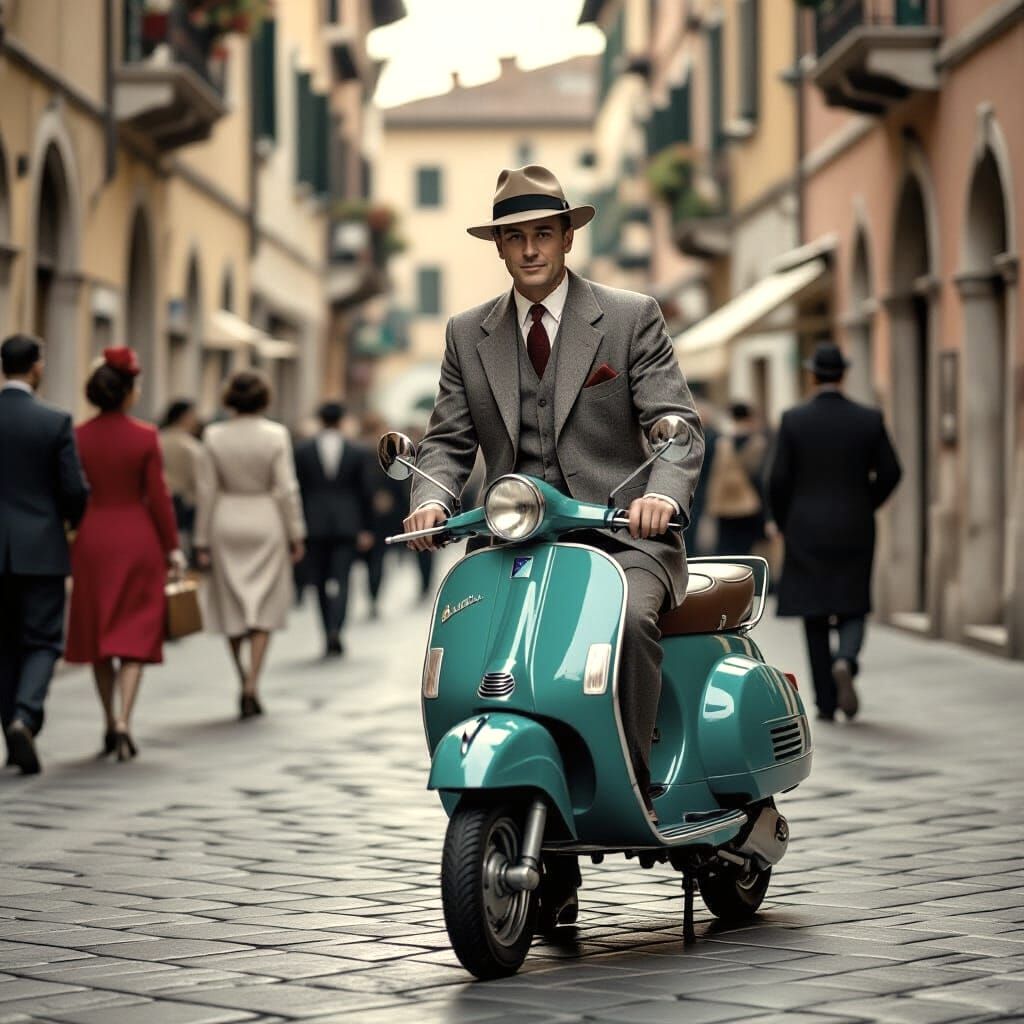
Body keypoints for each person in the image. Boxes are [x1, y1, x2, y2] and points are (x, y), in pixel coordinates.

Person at [403, 165, 704, 840]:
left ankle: (631, 776)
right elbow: (448, 439)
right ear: (500, 248)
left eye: (545, 233)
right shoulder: (467, 333)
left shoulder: (630, 317)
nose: (532, 249)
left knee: (625, 626)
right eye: (516, 238)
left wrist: (661, 495)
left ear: (568, 238)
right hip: (512, 544)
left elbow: (674, 425)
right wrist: (431, 499)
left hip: (622, 535)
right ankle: (517, 795)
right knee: (476, 654)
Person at [768, 341, 902, 722]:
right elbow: (892, 472)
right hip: (855, 524)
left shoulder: (794, 419)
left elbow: (778, 479)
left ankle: (825, 702)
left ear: (813, 375)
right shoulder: (869, 418)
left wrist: (781, 519)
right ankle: (846, 658)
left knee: (814, 612)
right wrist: (867, 502)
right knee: (853, 602)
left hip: (805, 526)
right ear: (844, 374)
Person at [65, 348, 184, 761]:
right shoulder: (145, 435)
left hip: (94, 538)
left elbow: (71, 493)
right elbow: (159, 497)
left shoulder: (77, 435)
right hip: (138, 539)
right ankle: (124, 720)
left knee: (100, 635)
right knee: (133, 634)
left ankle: (105, 717)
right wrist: (173, 548)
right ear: (129, 391)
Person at [0, 335, 90, 774]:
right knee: (43, 639)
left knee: (2, 642)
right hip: (42, 548)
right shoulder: (55, 421)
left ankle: (9, 726)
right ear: (36, 367)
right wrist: (68, 523)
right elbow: (74, 489)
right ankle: (25, 716)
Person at [195, 371, 306, 718]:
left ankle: (241, 673)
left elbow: (206, 490)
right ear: (264, 399)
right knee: (263, 606)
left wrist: (200, 538)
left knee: (232, 605)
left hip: (225, 518)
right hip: (265, 519)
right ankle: (252, 682)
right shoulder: (275, 435)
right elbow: (287, 489)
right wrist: (296, 532)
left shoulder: (213, 435)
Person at [294, 401, 374, 656]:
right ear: (342, 420)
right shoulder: (357, 450)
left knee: (318, 582)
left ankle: (326, 629)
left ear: (320, 419)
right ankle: (336, 629)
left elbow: (297, 490)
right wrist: (367, 528)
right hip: (347, 524)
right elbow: (365, 492)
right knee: (343, 579)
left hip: (313, 524)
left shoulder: (303, 450)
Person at [707, 400, 770, 556]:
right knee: (748, 551)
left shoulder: (722, 443)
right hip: (750, 504)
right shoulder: (759, 443)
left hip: (724, 504)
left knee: (727, 549)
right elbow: (761, 477)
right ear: (749, 418)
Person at [159, 398, 202, 562]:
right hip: (182, 505)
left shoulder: (157, 438)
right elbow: (198, 481)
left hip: (158, 501)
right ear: (184, 417)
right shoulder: (190, 446)